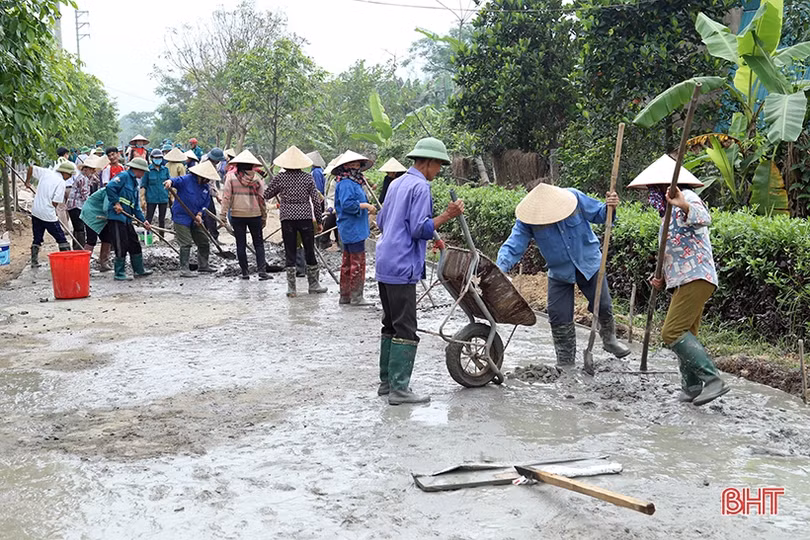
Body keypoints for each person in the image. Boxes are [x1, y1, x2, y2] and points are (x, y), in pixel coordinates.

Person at [629, 155, 730, 406]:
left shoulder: (688, 197)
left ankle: (713, 380)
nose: (652, 196)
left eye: (655, 191)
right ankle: (691, 386)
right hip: (682, 279)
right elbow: (671, 250)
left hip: (697, 275)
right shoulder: (666, 215)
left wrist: (683, 204)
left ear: (665, 188)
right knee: (686, 333)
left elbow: (703, 217)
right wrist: (661, 278)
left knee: (671, 332)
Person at [496, 183, 630, 368]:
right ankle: (565, 361)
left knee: (603, 304)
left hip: (588, 262)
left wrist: (610, 206)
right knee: (558, 315)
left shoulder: (573, 198)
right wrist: (500, 267)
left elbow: (599, 214)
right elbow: (514, 244)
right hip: (559, 270)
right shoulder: (528, 219)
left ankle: (609, 340)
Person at [375, 137, 464, 405]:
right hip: (403, 263)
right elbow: (418, 228)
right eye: (439, 165)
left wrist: (433, 234)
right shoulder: (421, 187)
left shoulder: (396, 183)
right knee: (406, 327)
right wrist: (447, 215)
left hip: (385, 261)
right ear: (429, 162)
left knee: (390, 322)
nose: (439, 171)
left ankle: (387, 383)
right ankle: (400, 390)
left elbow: (382, 220)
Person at [263, 145, 327, 297]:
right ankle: (313, 285)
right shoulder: (307, 178)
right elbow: (316, 201)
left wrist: (281, 193)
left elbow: (266, 194)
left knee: (290, 251)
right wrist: (319, 221)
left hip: (287, 218)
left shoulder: (280, 178)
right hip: (305, 217)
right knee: (310, 250)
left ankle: (292, 289)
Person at [332, 150, 375, 306]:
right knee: (356, 262)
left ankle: (346, 296)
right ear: (345, 166)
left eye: (358, 164)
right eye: (353, 164)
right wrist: (366, 206)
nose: (356, 167)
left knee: (348, 261)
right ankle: (356, 297)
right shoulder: (346, 183)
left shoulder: (353, 182)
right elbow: (348, 205)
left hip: (353, 227)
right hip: (352, 228)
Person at [219, 149, 268, 281]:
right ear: (252, 166)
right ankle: (262, 272)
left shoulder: (230, 177)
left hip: (237, 215)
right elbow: (262, 200)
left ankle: (245, 272)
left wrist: (222, 215)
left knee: (240, 244)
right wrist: (264, 216)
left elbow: (226, 198)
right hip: (255, 214)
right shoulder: (257, 179)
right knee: (258, 244)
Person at [164, 160, 218, 277]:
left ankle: (203, 265)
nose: (208, 180)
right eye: (206, 178)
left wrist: (199, 214)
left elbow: (205, 204)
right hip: (181, 216)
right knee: (186, 243)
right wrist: (169, 182)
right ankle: (184, 268)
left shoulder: (205, 188)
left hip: (195, 217)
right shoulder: (187, 180)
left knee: (203, 241)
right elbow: (174, 181)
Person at [105, 158, 154, 281]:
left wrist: (144, 221)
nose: (143, 174)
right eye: (142, 171)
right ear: (137, 169)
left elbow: (136, 207)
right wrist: (116, 203)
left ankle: (139, 270)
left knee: (134, 243)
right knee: (121, 244)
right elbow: (110, 187)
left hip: (127, 219)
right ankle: (119, 273)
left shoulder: (135, 184)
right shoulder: (124, 176)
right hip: (117, 217)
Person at [26, 160, 76, 267]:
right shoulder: (61, 183)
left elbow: (31, 168)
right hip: (48, 214)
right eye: (70, 175)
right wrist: (53, 212)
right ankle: (67, 260)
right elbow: (55, 202)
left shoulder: (46, 172)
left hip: (36, 211)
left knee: (37, 237)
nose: (70, 177)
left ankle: (34, 261)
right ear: (65, 173)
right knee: (61, 237)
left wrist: (27, 181)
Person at [66, 158, 94, 249]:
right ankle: (80, 248)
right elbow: (85, 194)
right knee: (80, 228)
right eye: (91, 169)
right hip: (76, 206)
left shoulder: (82, 178)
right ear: (86, 169)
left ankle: (77, 247)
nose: (93, 171)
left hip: (74, 206)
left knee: (77, 228)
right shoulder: (83, 179)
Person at [141, 149, 171, 229]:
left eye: (159, 158)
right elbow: (143, 185)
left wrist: (171, 197)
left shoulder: (165, 170)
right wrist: (142, 199)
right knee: (148, 218)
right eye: (156, 158)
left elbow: (169, 183)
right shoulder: (147, 170)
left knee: (162, 219)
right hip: (151, 198)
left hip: (163, 198)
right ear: (152, 158)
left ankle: (162, 237)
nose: (158, 160)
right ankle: (147, 236)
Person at [202, 147, 226, 241]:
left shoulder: (214, 165)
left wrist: (217, 195)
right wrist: (215, 195)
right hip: (203, 192)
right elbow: (208, 184)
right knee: (209, 215)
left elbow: (212, 183)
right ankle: (209, 236)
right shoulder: (206, 165)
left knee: (209, 215)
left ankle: (211, 236)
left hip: (208, 192)